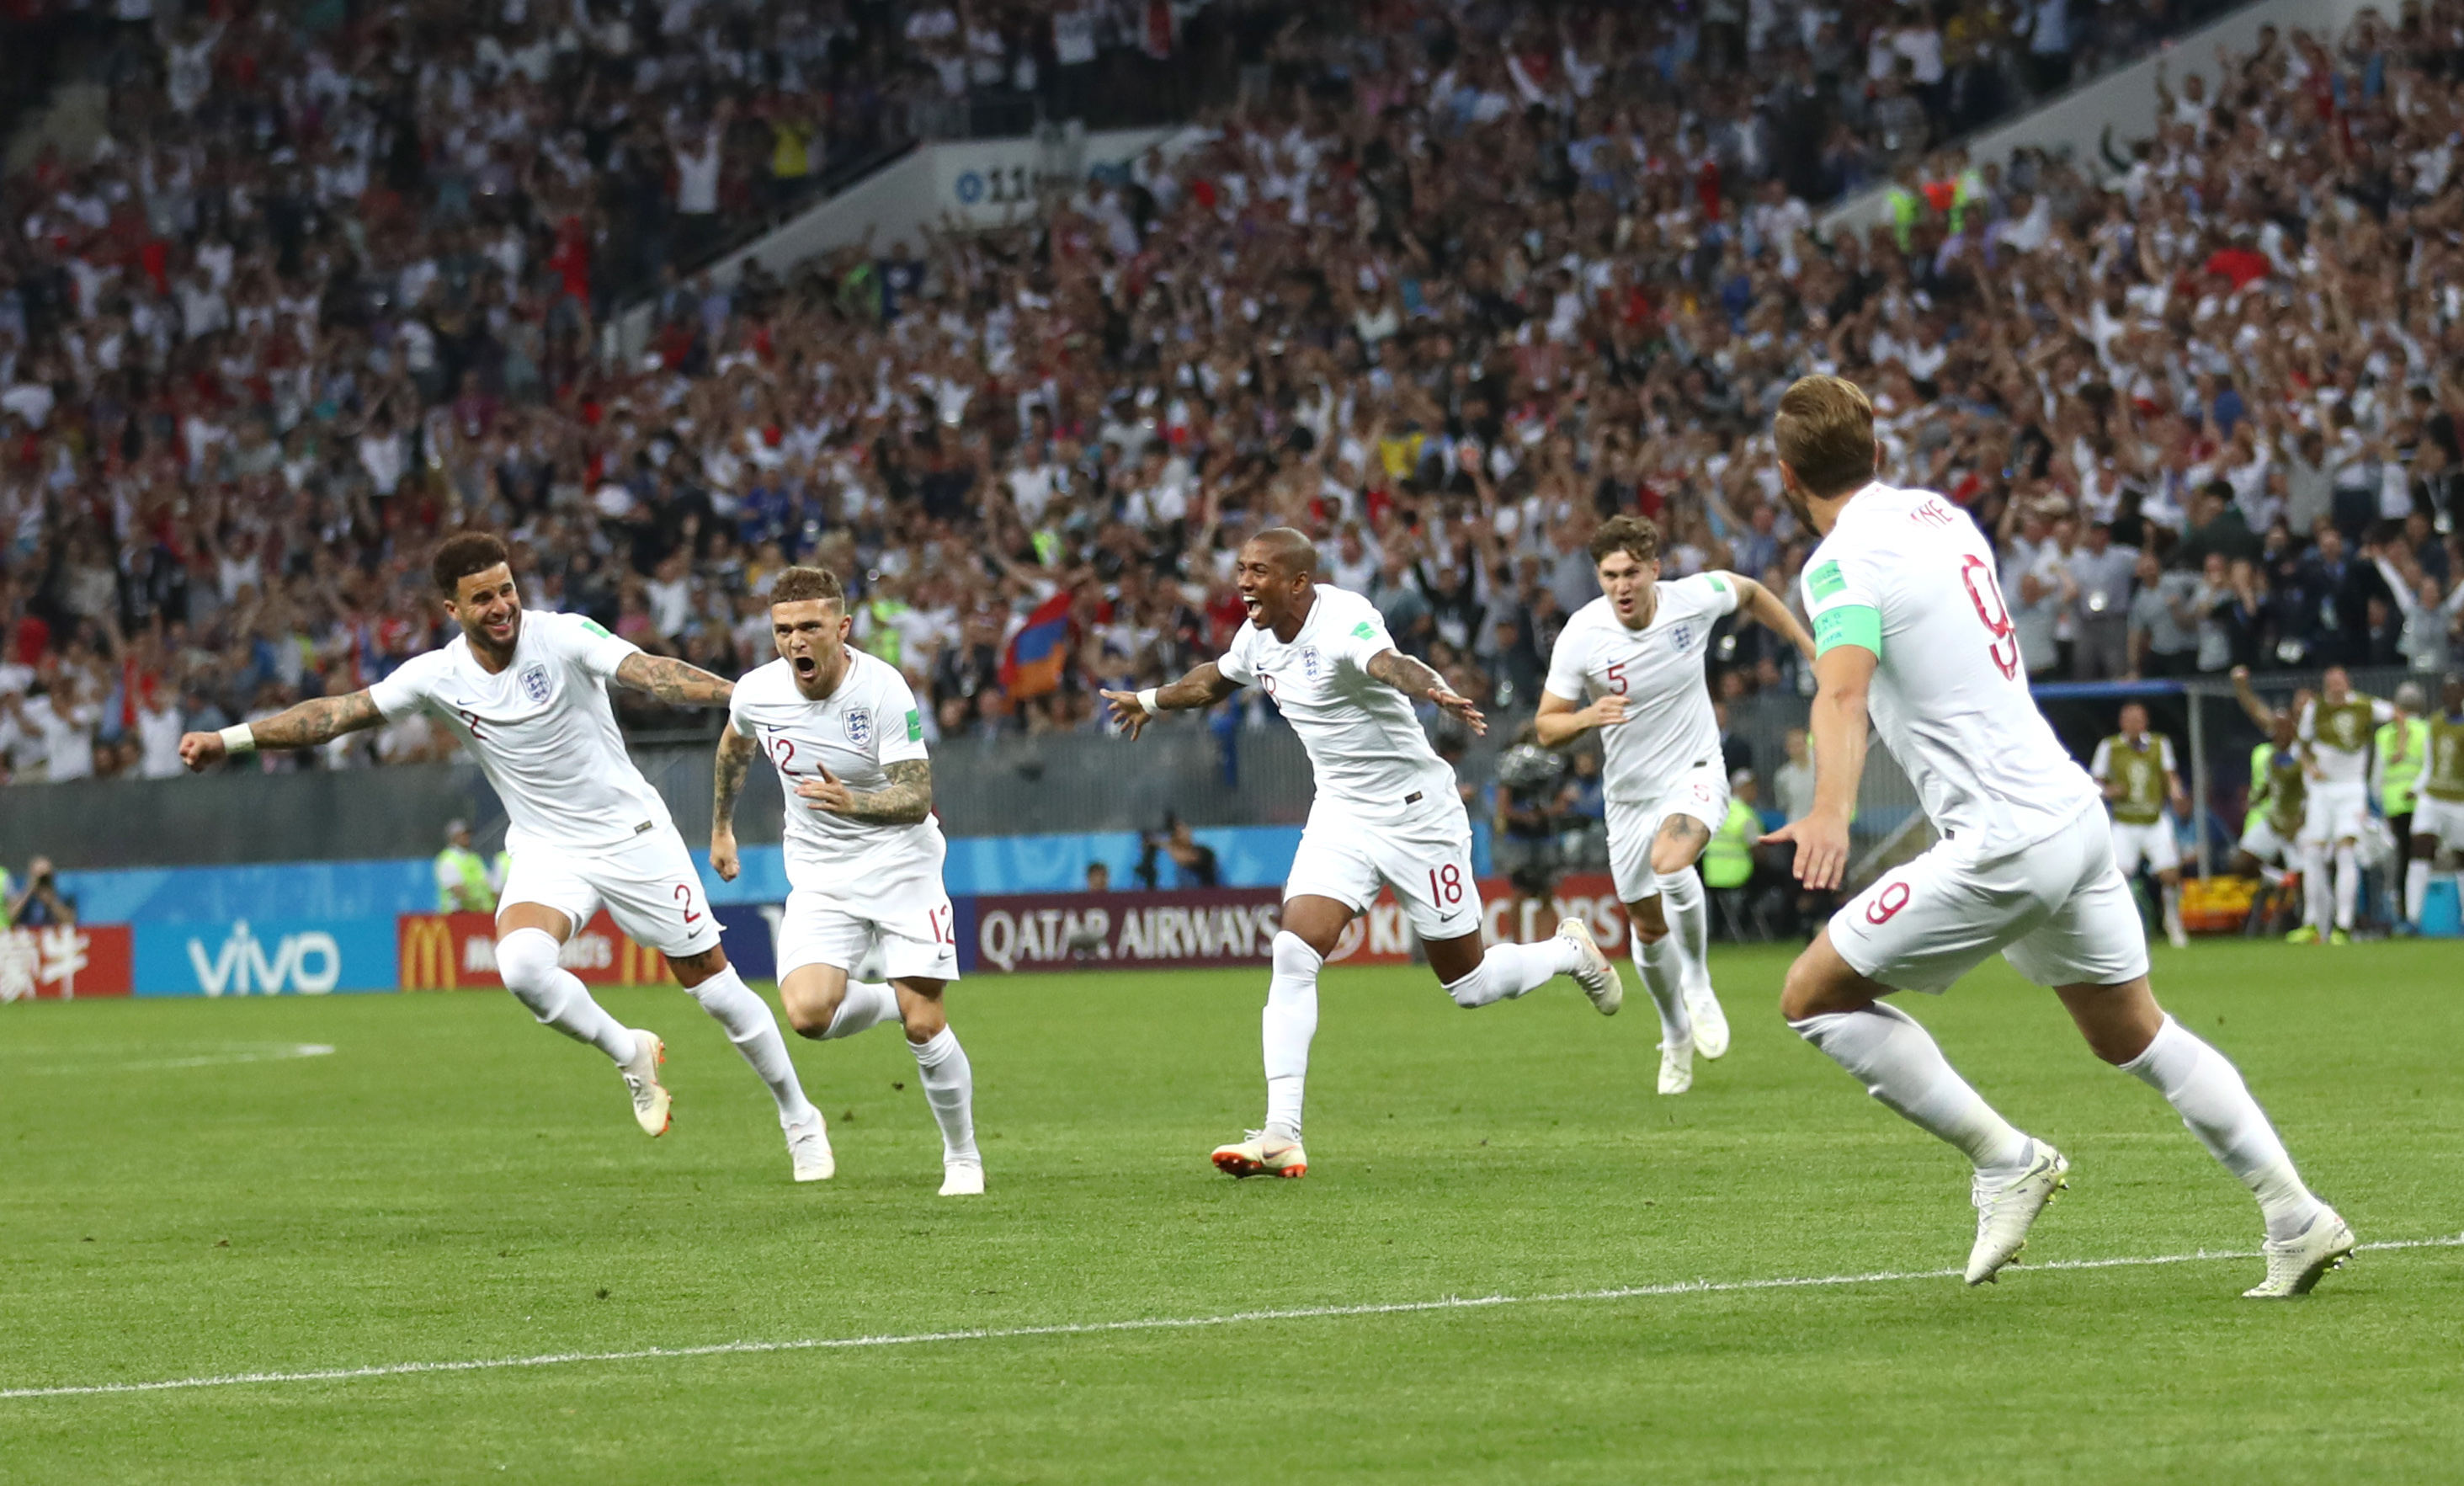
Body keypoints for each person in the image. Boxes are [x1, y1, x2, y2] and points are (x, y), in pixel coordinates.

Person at [1759, 375, 2350, 1300]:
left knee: (1812, 996)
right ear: (1877, 454)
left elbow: (1840, 690)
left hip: (2000, 838)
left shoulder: (1837, 564)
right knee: (2132, 1034)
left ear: (1786, 476)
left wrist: (1829, 807)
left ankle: (2005, 1159)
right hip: (2069, 814)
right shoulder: (1939, 517)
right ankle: (2293, 1211)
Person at [178, 533, 828, 1180]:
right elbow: (334, 714)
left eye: (507, 588)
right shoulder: (437, 675)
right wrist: (230, 740)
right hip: (547, 848)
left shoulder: (565, 634)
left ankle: (799, 1116)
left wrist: (741, 697)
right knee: (520, 965)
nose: (501, 605)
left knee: (715, 989)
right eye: (482, 596)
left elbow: (652, 674)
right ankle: (628, 1050)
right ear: (451, 609)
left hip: (630, 835)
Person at [1102, 527, 1620, 1180]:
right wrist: (1149, 700)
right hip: (1341, 814)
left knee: (1468, 983)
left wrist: (1429, 687)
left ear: (1297, 582)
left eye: (1257, 571)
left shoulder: (1343, 617)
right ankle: (1280, 1131)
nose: (1242, 582)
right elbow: (1215, 679)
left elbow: (1385, 662)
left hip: (1416, 815)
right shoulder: (1257, 638)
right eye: (1239, 569)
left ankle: (1568, 951)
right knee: (1293, 949)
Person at [710, 566, 981, 1196]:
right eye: (783, 629)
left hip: (901, 867)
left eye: (809, 626)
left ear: (841, 626)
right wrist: (721, 827)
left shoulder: (883, 690)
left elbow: (917, 797)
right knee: (807, 1015)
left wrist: (853, 803)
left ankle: (962, 1156)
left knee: (925, 1027)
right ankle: (891, 999)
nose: (796, 641)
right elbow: (733, 745)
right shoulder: (756, 691)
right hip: (820, 875)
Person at [1535, 514, 1816, 1095]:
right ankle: (1674, 1034)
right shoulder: (1582, 635)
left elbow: (1753, 592)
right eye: (1610, 574)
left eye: (1631, 572)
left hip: (1693, 773)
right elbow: (1545, 726)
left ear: (1654, 570)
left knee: (1672, 859)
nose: (1621, 585)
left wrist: (1807, 646)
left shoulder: (1693, 599)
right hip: (1627, 796)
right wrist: (1588, 714)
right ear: (1599, 575)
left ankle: (1698, 981)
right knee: (1645, 923)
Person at [2289, 666, 2395, 945]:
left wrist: (2400, 747)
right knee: (2312, 852)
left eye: (2339, 682)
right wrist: (2310, 767)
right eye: (2330, 683)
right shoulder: (2316, 709)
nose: (2335, 688)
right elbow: (2301, 745)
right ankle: (2312, 922)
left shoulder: (2364, 706)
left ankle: (2343, 924)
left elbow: (2398, 715)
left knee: (2346, 852)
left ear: (2347, 683)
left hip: (2350, 788)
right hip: (2323, 790)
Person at [2089, 704, 2191, 949]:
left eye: (2139, 720)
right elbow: (2094, 782)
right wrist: (2110, 791)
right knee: (2119, 878)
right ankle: (2123, 929)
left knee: (2170, 875)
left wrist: (2177, 794)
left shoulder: (2158, 744)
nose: (2134, 725)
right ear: (2122, 723)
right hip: (2125, 823)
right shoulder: (2110, 747)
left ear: (2145, 722)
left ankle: (2172, 921)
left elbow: (2169, 776)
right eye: (2129, 720)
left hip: (2155, 819)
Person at [1490, 733, 1567, 947]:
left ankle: (1546, 943)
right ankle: (1517, 943)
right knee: (1521, 892)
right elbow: (1504, 808)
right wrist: (1527, 817)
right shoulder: (1510, 771)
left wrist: (1544, 814)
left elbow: (1561, 804)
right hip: (1520, 838)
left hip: (1543, 836)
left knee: (1546, 892)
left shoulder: (1549, 770)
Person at [2404, 676, 2464, 927]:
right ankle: (2412, 917)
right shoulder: (2435, 722)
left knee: (2461, 857)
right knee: (2420, 845)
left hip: (2459, 801)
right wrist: (2416, 788)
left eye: (2453, 691)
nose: (2449, 696)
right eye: (2445, 692)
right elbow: (2430, 763)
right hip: (2433, 797)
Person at [2373, 682, 2429, 930]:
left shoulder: (2384, 734)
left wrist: (2381, 805)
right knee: (2422, 857)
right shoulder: (2427, 730)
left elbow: (2376, 776)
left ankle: (2405, 912)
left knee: (2404, 858)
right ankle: (2419, 912)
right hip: (2423, 801)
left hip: (2394, 805)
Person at [434, 819, 498, 914]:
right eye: (463, 835)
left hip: (481, 913)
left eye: (468, 834)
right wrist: (479, 901)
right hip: (458, 915)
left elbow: (489, 884)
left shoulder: (474, 858)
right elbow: (457, 890)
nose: (467, 837)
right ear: (454, 837)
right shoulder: (448, 860)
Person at [3, 856, 75, 927]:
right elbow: (11, 917)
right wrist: (29, 891)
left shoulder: (62, 895)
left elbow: (70, 921)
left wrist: (52, 901)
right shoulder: (22, 894)